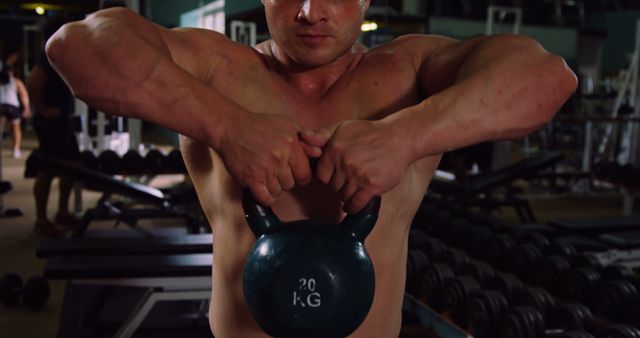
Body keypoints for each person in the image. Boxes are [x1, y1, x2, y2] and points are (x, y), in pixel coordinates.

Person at [45, 1, 577, 337]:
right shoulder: (216, 69)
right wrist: (228, 126)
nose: (310, 11)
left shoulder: (409, 73)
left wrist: (403, 135)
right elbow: (79, 45)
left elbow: (547, 76)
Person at [27, 17, 80, 237]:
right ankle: (41, 220)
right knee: (48, 169)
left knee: (71, 165)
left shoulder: (60, 50)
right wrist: (43, 108)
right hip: (50, 120)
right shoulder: (50, 50)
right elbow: (34, 79)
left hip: (60, 119)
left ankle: (62, 212)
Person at [0, 53, 31, 159]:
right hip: (12, 106)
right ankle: (16, 150)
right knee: (16, 129)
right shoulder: (16, 81)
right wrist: (26, 108)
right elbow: (24, 95)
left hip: (2, 105)